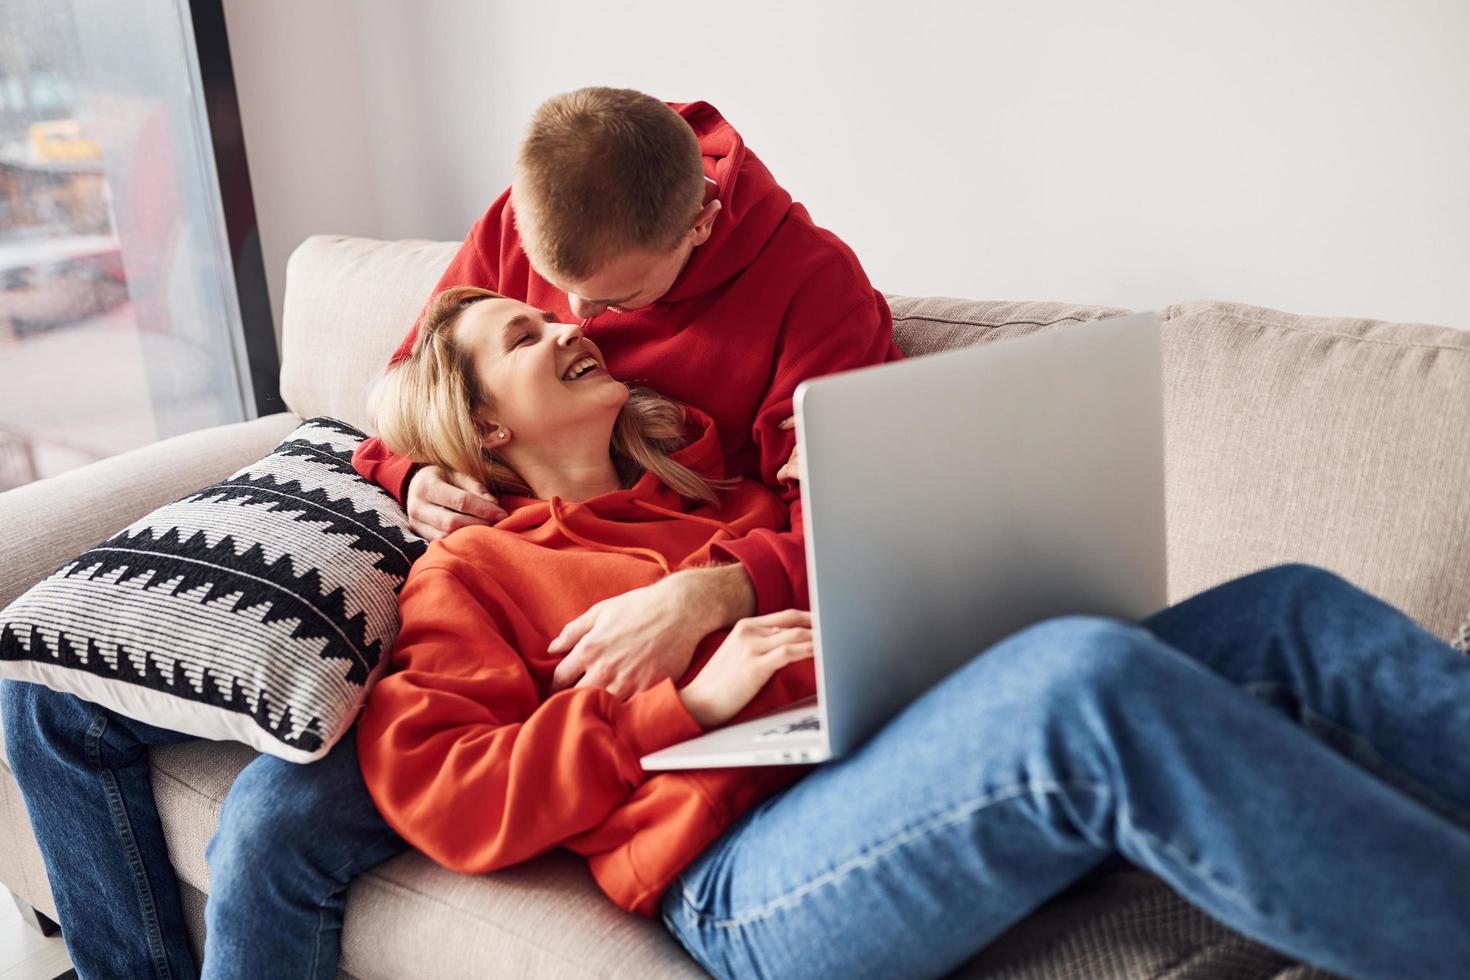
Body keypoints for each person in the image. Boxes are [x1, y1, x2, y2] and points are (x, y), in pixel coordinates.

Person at [2, 87, 898, 977]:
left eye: (614, 299)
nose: (578, 322)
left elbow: (854, 531)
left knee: (273, 825)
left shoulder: (812, 294)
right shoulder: (538, 211)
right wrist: (413, 472)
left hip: (578, 608)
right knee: (44, 697)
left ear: (700, 223)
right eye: (552, 301)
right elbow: (407, 385)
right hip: (459, 559)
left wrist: (712, 589)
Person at [360, 288, 1470, 980]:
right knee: (1085, 681)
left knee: (1284, 607)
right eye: (524, 335)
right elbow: (442, 787)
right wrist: (677, 707)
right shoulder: (473, 570)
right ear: (485, 420)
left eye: (554, 315)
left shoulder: (719, 496)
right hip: (744, 876)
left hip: (875, 752)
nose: (566, 326)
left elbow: (875, 577)